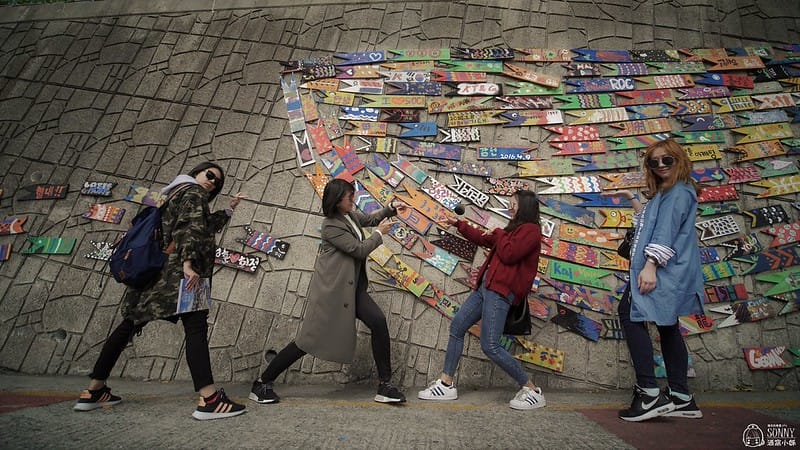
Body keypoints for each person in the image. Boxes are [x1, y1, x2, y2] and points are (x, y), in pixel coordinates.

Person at [74, 162, 247, 421]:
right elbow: (189, 229)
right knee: (196, 328)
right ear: (197, 173)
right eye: (210, 175)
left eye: (217, 182)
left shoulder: (174, 192)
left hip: (156, 273)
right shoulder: (194, 192)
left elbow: (200, 225)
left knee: (129, 324)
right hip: (181, 275)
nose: (212, 182)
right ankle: (210, 400)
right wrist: (189, 264)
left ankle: (93, 391)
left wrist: (229, 210)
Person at [249, 178, 408, 405]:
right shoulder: (331, 225)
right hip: (333, 294)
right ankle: (262, 383)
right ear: (337, 200)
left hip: (353, 290)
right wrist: (379, 235)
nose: (353, 199)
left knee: (378, 322)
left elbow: (371, 219)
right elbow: (358, 249)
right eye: (349, 196)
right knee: (306, 341)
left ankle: (385, 385)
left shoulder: (349, 216)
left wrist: (390, 208)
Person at [604, 138, 704, 422]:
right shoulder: (670, 191)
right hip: (669, 270)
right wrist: (632, 199)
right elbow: (650, 224)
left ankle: (648, 393)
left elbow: (665, 233)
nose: (660, 165)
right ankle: (681, 397)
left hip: (661, 270)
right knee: (668, 325)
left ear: (679, 160)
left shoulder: (678, 192)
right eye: (654, 161)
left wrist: (650, 266)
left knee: (629, 314)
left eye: (666, 159)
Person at [417, 190, 545, 410]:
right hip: (485, 289)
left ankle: (532, 389)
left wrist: (499, 232)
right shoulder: (512, 230)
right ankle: (446, 384)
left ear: (524, 206)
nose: (510, 207)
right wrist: (458, 224)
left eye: (513, 203)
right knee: (457, 326)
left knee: (490, 346)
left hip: (500, 292)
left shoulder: (531, 231)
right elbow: (483, 238)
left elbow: (510, 254)